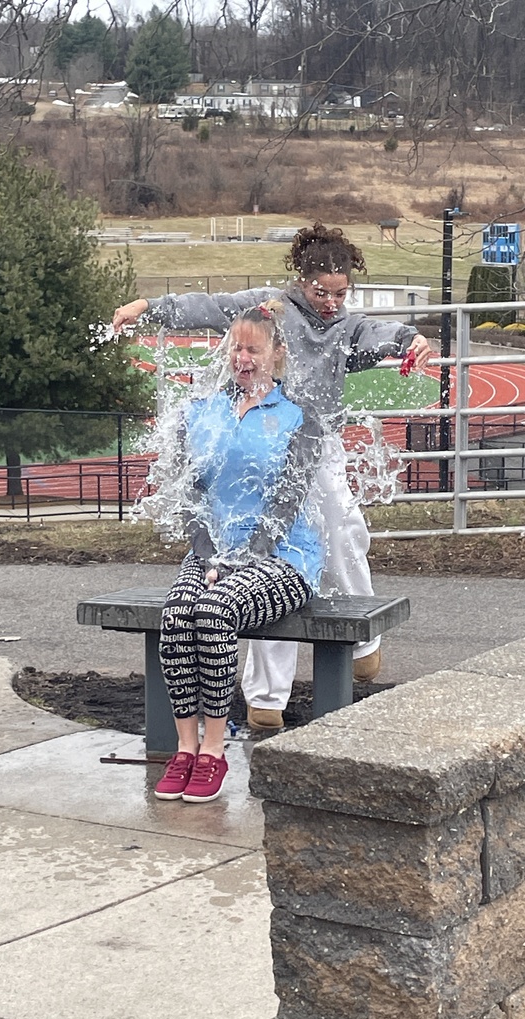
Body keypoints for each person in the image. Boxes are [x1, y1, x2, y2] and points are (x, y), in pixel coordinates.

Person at [113, 222, 434, 730]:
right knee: (259, 548)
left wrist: (410, 338)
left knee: (341, 529)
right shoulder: (272, 309)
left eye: (340, 293)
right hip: (262, 438)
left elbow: (376, 332)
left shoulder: (345, 326)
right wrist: (149, 307)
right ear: (300, 280)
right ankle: (265, 697)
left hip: (313, 443)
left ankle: (366, 638)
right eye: (320, 292)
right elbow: (212, 307)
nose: (330, 302)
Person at [153, 303, 323, 802]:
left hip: (281, 558)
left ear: (277, 353)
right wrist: (208, 557)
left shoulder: (299, 419)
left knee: (213, 611)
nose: (242, 358)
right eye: (236, 348)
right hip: (212, 555)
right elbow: (189, 496)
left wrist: (238, 562)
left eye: (254, 348)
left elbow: (285, 505)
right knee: (179, 613)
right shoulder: (199, 413)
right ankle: (185, 748)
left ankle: (214, 747)